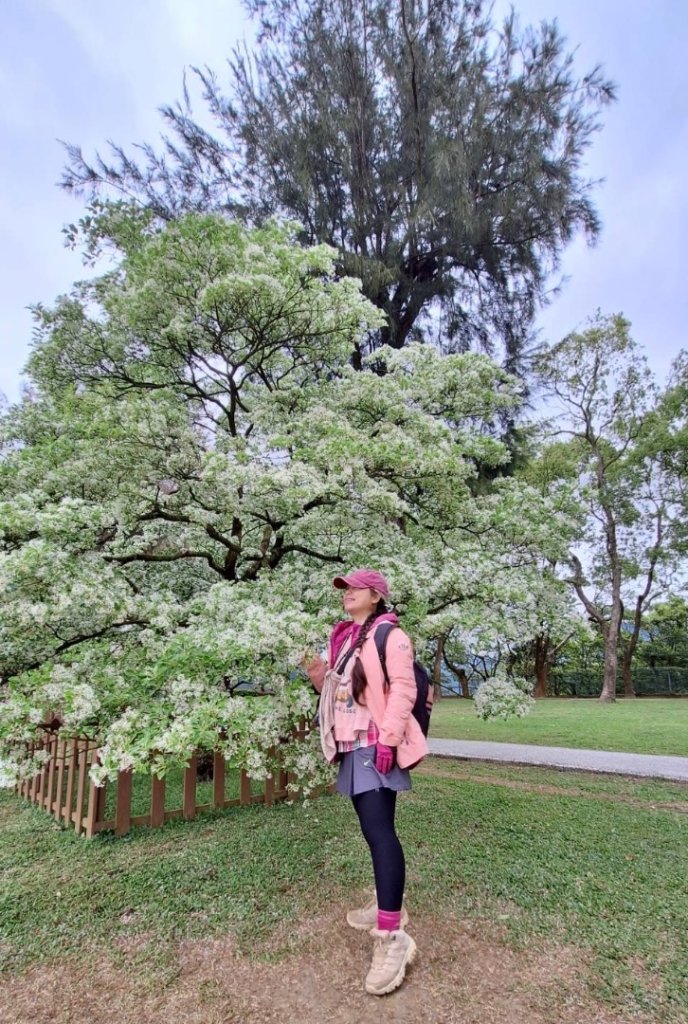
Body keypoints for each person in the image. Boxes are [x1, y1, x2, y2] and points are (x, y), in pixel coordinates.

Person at [304, 568, 429, 996]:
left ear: (375, 596)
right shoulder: (344, 639)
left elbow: (404, 690)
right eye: (344, 589)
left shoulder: (390, 636)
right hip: (353, 745)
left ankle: (393, 937)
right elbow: (336, 692)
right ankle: (383, 901)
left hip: (376, 744)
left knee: (380, 833)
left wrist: (390, 741)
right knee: (372, 831)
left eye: (355, 589)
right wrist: (315, 668)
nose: (347, 594)